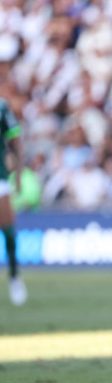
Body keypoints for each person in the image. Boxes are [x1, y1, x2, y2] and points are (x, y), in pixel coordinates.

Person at [0, 97, 26, 306]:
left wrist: (18, 174)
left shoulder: (2, 107)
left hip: (0, 177)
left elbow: (15, 140)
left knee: (7, 228)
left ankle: (14, 276)